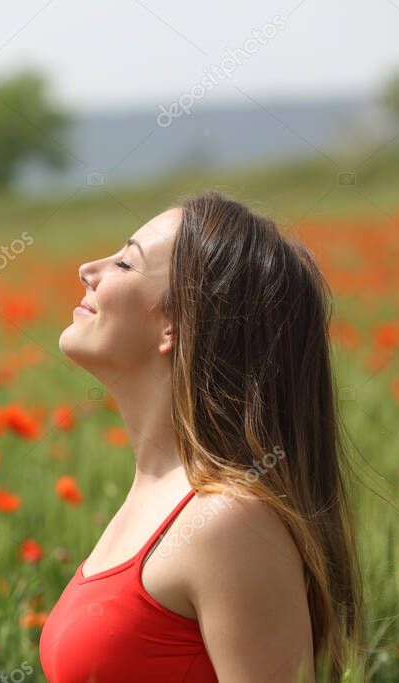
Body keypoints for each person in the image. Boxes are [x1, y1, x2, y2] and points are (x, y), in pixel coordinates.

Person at [39, 190, 364, 682]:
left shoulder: (229, 523)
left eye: (126, 264)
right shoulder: (153, 499)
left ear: (176, 323)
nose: (89, 268)